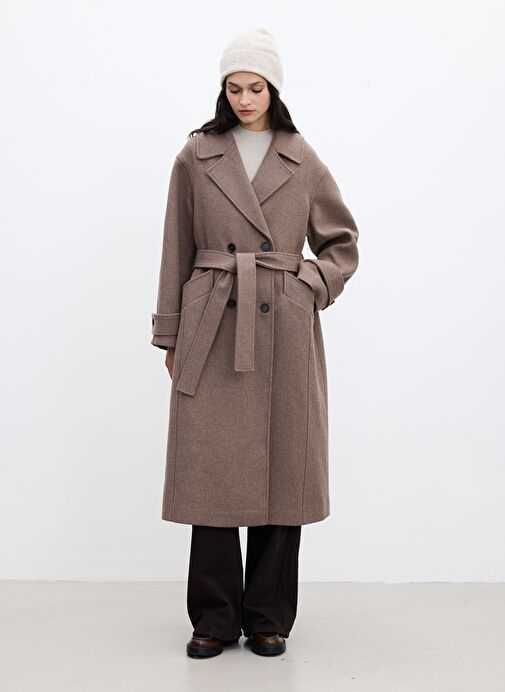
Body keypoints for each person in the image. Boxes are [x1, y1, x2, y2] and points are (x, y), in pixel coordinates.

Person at [150, 27, 360, 658]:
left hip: (283, 330)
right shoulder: (196, 155)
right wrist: (170, 332)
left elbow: (341, 241)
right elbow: (175, 246)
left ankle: (268, 616)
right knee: (210, 475)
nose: (244, 99)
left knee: (281, 474)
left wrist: (309, 285)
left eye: (256, 87)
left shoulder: (301, 156)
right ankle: (214, 618)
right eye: (234, 87)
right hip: (212, 323)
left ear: (274, 89)